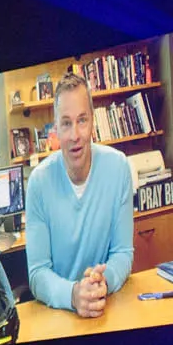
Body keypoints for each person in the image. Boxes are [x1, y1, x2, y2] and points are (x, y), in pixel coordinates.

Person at [23, 70, 135, 318]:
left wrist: (103, 282)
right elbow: (37, 273)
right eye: (66, 123)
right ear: (55, 129)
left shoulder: (118, 167)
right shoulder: (39, 182)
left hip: (105, 306)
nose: (75, 135)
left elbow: (123, 253)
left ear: (93, 121)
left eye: (82, 120)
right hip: (59, 313)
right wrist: (74, 295)